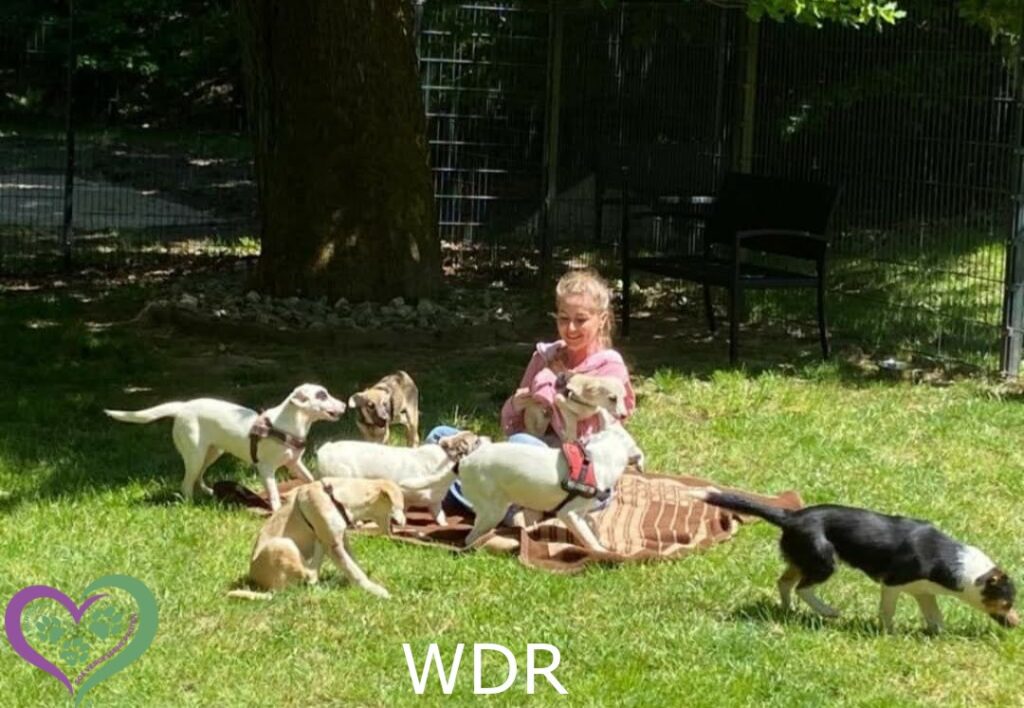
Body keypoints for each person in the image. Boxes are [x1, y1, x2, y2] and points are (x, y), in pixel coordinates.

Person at [425, 268, 637, 513]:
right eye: (563, 318)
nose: (570, 328)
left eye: (581, 320)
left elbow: (590, 433)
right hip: (529, 457)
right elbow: (514, 425)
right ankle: (491, 500)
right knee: (440, 436)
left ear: (601, 319)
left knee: (521, 444)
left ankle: (485, 501)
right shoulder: (545, 356)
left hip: (572, 472)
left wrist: (559, 382)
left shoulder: (609, 369)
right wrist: (516, 404)